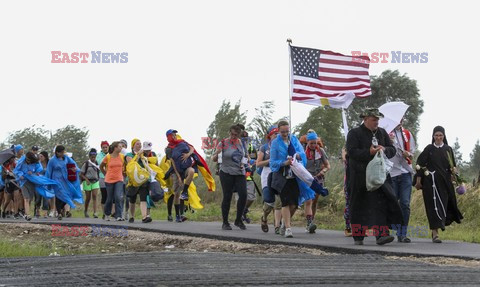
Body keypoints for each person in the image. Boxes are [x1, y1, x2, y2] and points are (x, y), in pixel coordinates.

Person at [346, 108, 403, 245]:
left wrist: (384, 149)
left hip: (379, 176)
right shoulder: (354, 133)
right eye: (374, 119)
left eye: (378, 119)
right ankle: (358, 236)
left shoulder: (382, 133)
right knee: (359, 205)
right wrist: (369, 152)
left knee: (381, 204)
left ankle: (382, 235)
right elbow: (352, 152)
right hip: (359, 176)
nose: (376, 122)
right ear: (365, 119)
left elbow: (392, 150)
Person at [414, 126, 463, 243]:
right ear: (433, 136)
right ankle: (435, 233)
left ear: (444, 136)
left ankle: (439, 226)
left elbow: (452, 166)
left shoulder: (448, 149)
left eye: (440, 135)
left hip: (445, 184)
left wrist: (455, 174)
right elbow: (419, 165)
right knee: (432, 207)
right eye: (436, 135)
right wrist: (418, 181)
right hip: (431, 183)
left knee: (443, 205)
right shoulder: (429, 149)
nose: (438, 138)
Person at [269, 120, 316, 238]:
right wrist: (284, 162)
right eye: (282, 132)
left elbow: (302, 153)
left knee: (294, 204)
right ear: (279, 131)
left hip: (294, 174)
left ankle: (285, 223)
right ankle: (289, 228)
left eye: (287, 131)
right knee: (285, 201)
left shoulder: (294, 139)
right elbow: (272, 162)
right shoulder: (275, 143)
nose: (285, 134)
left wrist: (298, 156)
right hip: (281, 175)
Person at [212, 124, 248, 230]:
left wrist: (244, 163)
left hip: (240, 172)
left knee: (243, 195)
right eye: (232, 134)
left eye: (235, 135)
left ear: (239, 135)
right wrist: (217, 153)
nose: (233, 137)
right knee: (227, 196)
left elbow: (246, 156)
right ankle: (225, 222)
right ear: (229, 132)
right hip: (226, 172)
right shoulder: (223, 143)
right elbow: (214, 158)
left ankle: (238, 220)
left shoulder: (242, 143)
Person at [389, 119, 416, 243]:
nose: (399, 122)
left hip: (405, 172)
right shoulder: (387, 134)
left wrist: (408, 154)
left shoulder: (407, 134)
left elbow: (412, 153)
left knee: (405, 203)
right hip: (392, 172)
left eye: (401, 119)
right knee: (392, 203)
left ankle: (402, 234)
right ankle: (387, 229)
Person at [45, 145, 83, 220]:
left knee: (67, 195)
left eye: (63, 152)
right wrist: (48, 182)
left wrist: (75, 169)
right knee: (58, 196)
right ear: (57, 152)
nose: (63, 153)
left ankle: (61, 208)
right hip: (56, 181)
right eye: (61, 152)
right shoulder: (52, 160)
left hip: (65, 180)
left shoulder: (66, 158)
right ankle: (59, 213)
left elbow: (74, 164)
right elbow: (49, 171)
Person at [257, 126, 283, 233]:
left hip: (279, 174)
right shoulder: (264, 148)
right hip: (267, 173)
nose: (277, 136)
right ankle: (264, 218)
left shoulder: (282, 146)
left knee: (280, 200)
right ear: (270, 136)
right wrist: (270, 160)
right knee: (269, 200)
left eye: (278, 134)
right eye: (275, 134)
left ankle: (277, 224)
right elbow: (258, 163)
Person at [303, 131, 330, 233]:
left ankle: (311, 222)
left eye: (315, 143)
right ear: (307, 142)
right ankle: (309, 222)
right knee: (309, 200)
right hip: (307, 178)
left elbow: (328, 165)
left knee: (314, 201)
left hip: (318, 178)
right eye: (311, 143)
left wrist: (323, 171)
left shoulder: (321, 151)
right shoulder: (303, 152)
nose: (314, 145)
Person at [13, 152, 43, 221]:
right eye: (27, 159)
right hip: (23, 182)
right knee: (26, 198)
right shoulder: (22, 161)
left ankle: (24, 211)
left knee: (30, 199)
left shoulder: (35, 162)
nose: (28, 161)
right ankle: (27, 214)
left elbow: (39, 168)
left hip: (32, 181)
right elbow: (16, 170)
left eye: (29, 160)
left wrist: (33, 172)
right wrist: (20, 175)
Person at [100, 142, 125, 221]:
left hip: (119, 179)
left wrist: (125, 173)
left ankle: (118, 215)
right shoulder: (108, 157)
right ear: (115, 148)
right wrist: (105, 173)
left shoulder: (122, 157)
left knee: (118, 197)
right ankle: (107, 214)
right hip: (109, 180)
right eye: (120, 147)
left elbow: (126, 166)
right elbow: (101, 166)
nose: (121, 148)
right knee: (109, 198)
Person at [80, 148, 100, 218]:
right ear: (89, 156)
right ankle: (85, 211)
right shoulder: (86, 163)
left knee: (94, 196)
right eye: (91, 156)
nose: (93, 158)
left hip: (95, 181)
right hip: (87, 181)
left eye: (94, 156)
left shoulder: (97, 163)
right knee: (88, 197)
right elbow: (81, 174)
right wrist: (86, 179)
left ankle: (95, 212)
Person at [96, 141, 109, 219]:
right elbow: (101, 163)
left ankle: (110, 211)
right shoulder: (99, 155)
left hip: (111, 177)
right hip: (102, 176)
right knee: (104, 195)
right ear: (101, 148)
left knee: (110, 195)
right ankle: (104, 212)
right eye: (103, 147)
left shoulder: (111, 153)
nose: (105, 148)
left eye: (106, 147)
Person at [39, 151, 53, 217]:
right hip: (38, 183)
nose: (40, 157)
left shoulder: (49, 164)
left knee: (46, 197)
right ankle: (37, 210)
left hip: (47, 183)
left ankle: (45, 212)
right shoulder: (38, 164)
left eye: (41, 156)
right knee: (38, 198)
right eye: (39, 156)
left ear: (45, 157)